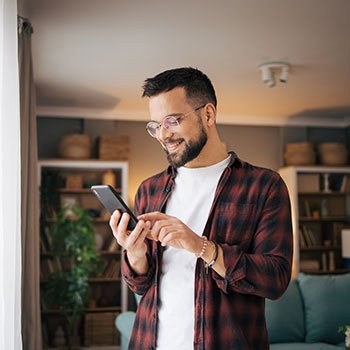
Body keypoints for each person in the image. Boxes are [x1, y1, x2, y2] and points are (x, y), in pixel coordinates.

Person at [110, 67, 293, 350]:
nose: (163, 135)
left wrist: (200, 246)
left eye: (172, 120)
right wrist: (134, 253)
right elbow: (141, 286)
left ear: (208, 114)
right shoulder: (149, 189)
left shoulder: (264, 186)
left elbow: (276, 279)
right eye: (155, 125)